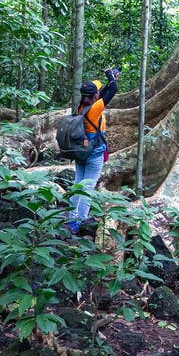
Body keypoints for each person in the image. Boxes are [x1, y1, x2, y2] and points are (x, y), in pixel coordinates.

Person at [68, 66, 120, 234]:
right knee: (88, 186)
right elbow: (112, 89)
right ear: (95, 96)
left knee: (78, 184)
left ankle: (71, 219)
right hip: (93, 153)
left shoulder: (80, 106)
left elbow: (106, 89)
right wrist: (110, 76)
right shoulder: (96, 108)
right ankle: (81, 221)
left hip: (80, 152)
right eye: (97, 92)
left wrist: (113, 74)